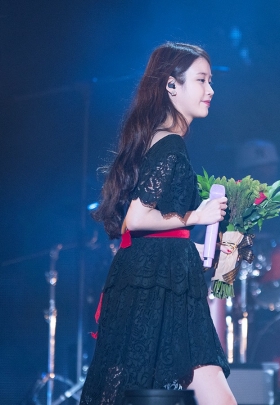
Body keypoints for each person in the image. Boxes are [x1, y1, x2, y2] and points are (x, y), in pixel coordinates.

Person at [80, 42, 236, 405]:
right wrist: (197, 216)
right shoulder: (170, 145)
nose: (211, 90)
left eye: (210, 80)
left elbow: (151, 229)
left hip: (155, 279)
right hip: (155, 287)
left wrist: (194, 247)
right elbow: (135, 219)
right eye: (201, 80)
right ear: (171, 85)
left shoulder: (158, 140)